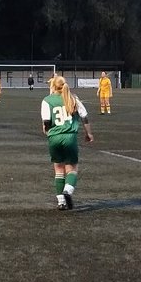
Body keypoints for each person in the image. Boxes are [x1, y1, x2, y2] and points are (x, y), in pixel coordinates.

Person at [41, 74, 94, 210]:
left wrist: (46, 130)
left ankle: (61, 202)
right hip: (70, 137)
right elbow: (84, 116)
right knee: (72, 168)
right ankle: (68, 191)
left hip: (54, 137)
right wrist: (88, 133)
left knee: (58, 168)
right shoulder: (73, 98)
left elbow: (46, 121)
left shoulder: (47, 100)